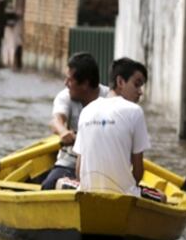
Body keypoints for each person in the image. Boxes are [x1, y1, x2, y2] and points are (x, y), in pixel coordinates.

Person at [72, 58, 150, 196]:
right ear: (120, 82)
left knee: (60, 182)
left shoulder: (87, 110)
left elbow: (79, 170)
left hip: (87, 194)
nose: (140, 92)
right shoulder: (135, 111)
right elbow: (138, 172)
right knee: (162, 197)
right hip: (124, 196)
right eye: (137, 85)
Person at [41, 52, 109, 190]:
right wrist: (64, 132)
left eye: (69, 80)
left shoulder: (109, 98)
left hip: (103, 164)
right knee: (48, 185)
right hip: (69, 162)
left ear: (85, 84)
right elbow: (56, 121)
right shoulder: (65, 96)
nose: (66, 83)